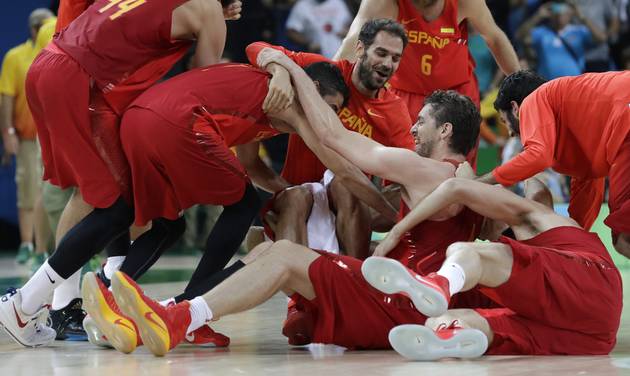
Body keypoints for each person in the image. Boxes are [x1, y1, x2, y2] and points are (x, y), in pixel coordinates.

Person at [84, 51, 483, 357]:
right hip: (400, 295)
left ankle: (178, 316)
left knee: (283, 251)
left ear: (445, 130)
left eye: (424, 122)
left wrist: (288, 66)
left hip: (397, 307)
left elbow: (335, 138)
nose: (413, 128)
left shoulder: (428, 171)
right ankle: (165, 313)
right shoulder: (464, 184)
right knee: (276, 246)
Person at [0, 0, 242, 348]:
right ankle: (30, 304)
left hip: (52, 65)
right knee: (114, 205)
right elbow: (201, 92)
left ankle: (94, 294)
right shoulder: (207, 12)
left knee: (115, 199)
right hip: (80, 80)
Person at [363, 177, 622, 358]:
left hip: (594, 282)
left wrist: (396, 232)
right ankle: (448, 336)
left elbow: (455, 187)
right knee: (441, 320)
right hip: (595, 340)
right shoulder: (532, 250)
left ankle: (439, 283)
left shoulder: (535, 216)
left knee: (463, 251)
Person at [246, 19, 414, 259]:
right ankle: (295, 267)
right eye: (381, 53)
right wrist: (280, 70)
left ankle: (353, 273)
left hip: (348, 206)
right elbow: (255, 47)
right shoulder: (325, 72)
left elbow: (406, 178)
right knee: (299, 196)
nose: (387, 63)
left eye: (395, 58)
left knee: (398, 187)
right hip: (297, 197)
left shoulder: (395, 112)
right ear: (359, 49)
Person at [334, 0, 520, 168]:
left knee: (456, 169)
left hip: (457, 93)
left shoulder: (465, 2)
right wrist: (326, 81)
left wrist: (521, 86)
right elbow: (352, 40)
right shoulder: (385, 3)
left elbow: (494, 37)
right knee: (401, 173)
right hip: (404, 93)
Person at [477, 70, 630, 259]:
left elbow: (537, 156)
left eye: (504, 121)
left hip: (626, 118)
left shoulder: (536, 98)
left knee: (625, 238)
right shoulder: (576, 130)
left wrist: (480, 184)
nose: (509, 132)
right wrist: (569, 240)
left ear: (516, 109)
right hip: (624, 124)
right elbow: (588, 189)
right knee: (622, 238)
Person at [0, 9, 54, 266]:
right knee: (29, 188)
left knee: (51, 189)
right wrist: (8, 132)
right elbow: (6, 98)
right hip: (28, 137)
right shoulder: (16, 57)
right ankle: (27, 243)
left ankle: (48, 246)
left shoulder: (54, 53)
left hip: (54, 135)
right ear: (34, 30)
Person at [515, 1, 606, 79]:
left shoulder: (579, 31)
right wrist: (538, 16)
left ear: (570, 13)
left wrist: (582, 16)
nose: (559, 15)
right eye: (556, 10)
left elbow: (601, 38)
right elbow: (519, 35)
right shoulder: (542, 32)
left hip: (573, 84)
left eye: (563, 10)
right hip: (548, 85)